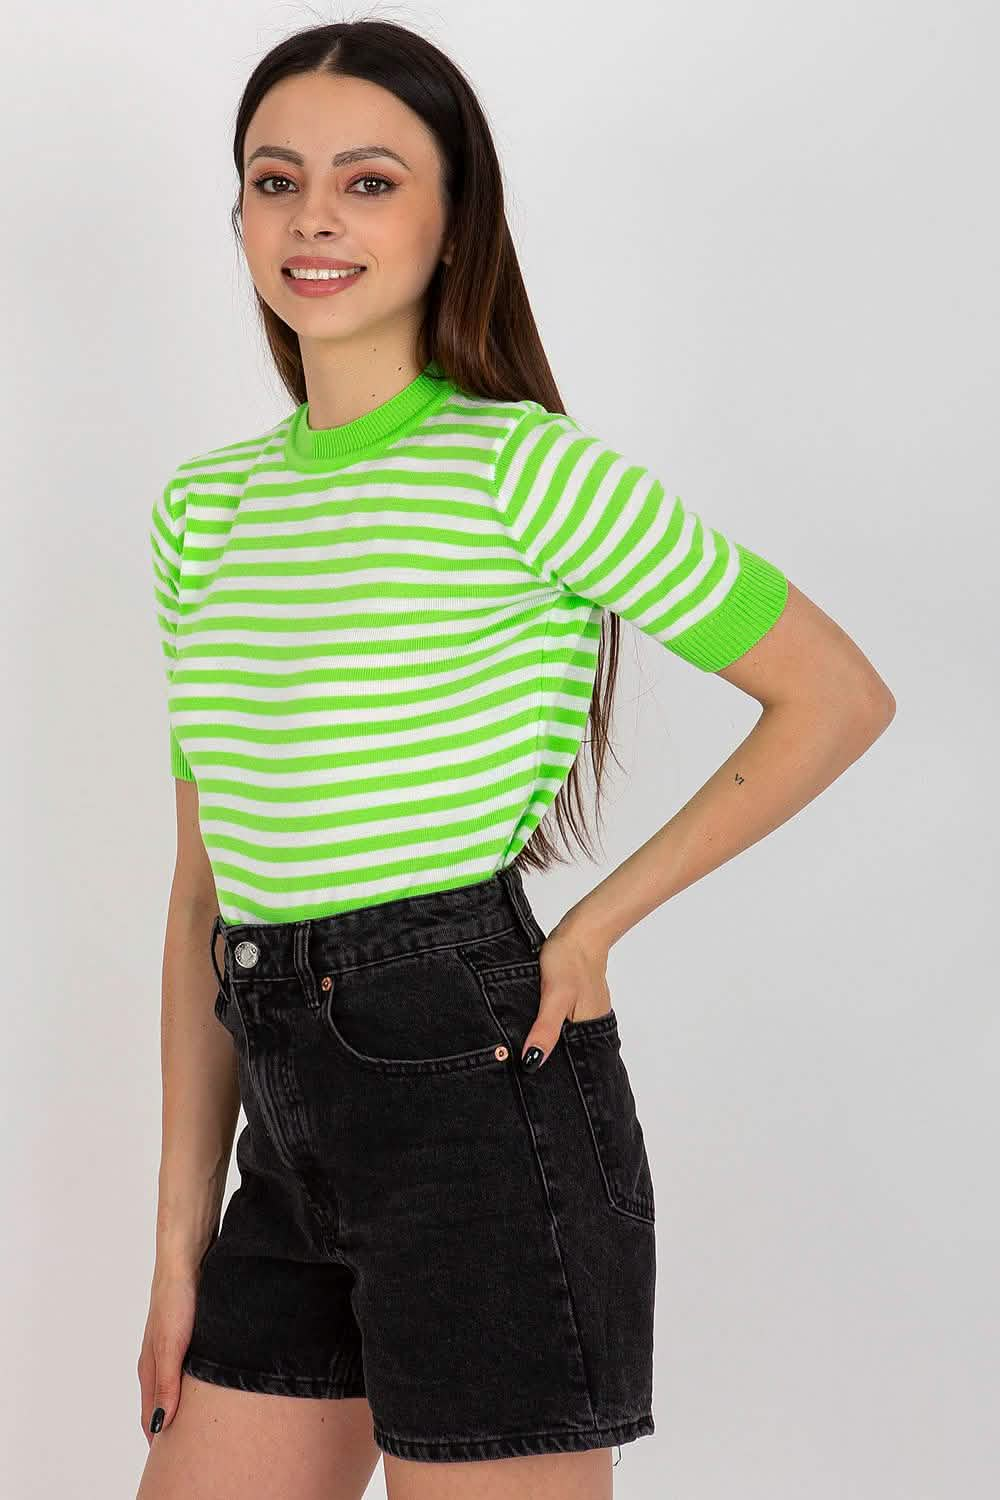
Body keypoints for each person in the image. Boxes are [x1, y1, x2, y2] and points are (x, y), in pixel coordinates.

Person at [136, 19, 895, 1500]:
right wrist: (175, 1254)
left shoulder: (528, 469)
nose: (313, 219)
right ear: (237, 212)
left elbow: (833, 695)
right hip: (280, 1128)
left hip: (478, 1093)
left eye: (368, 182)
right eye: (276, 180)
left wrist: (595, 925)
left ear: (449, 216)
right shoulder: (201, 511)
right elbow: (196, 898)